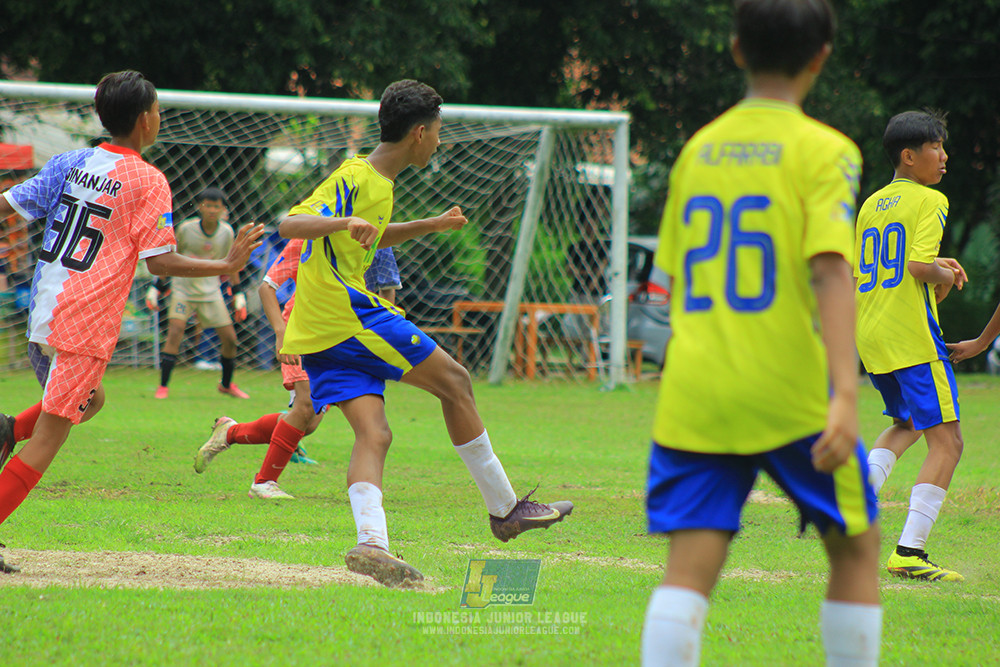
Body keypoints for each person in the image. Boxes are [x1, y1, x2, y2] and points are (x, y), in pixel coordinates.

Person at [641, 2, 881, 665]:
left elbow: (674, 275)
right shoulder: (826, 150)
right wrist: (844, 393)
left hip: (696, 390)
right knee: (856, 544)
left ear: (736, 48)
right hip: (788, 390)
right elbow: (831, 271)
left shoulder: (697, 150)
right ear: (822, 57)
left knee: (689, 565)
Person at [278, 79, 573, 587]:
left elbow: (368, 238)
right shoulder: (357, 175)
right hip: (344, 315)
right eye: (438, 132)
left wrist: (429, 225)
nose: (439, 141)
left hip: (317, 330)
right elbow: (290, 223)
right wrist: (342, 219)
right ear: (419, 133)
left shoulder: (381, 185)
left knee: (375, 433)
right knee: (455, 381)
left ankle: (372, 545)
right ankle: (506, 509)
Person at [0, 70, 264, 573]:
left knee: (89, 401)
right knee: (54, 434)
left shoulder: (72, 160)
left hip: (45, 309)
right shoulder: (148, 179)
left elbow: (10, 204)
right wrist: (226, 266)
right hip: (82, 322)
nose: (160, 118)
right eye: (159, 110)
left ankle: (7, 429)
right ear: (145, 120)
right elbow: (160, 261)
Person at [193, 244, 404, 499]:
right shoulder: (311, 237)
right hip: (304, 328)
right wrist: (281, 333)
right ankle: (264, 482)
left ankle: (230, 432)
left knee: (309, 421)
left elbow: (387, 292)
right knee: (305, 408)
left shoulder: (380, 241)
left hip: (349, 335)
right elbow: (267, 287)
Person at [855, 109, 967, 583]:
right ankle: (909, 553)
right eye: (936, 147)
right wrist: (945, 274)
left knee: (907, 423)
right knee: (949, 442)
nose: (944, 157)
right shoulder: (930, 199)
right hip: (911, 336)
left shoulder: (871, 203)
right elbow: (919, 269)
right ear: (909, 155)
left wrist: (934, 265)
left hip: (872, 332)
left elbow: (893, 262)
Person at [148, 186, 251, 399]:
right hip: (183, 289)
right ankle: (163, 386)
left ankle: (226, 384)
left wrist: (238, 295)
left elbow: (230, 265)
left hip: (210, 291)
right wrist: (156, 287)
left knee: (230, 339)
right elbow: (170, 257)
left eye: (217, 206)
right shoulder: (186, 229)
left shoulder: (226, 232)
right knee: (175, 331)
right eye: (208, 205)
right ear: (199, 207)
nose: (212, 210)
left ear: (223, 209)